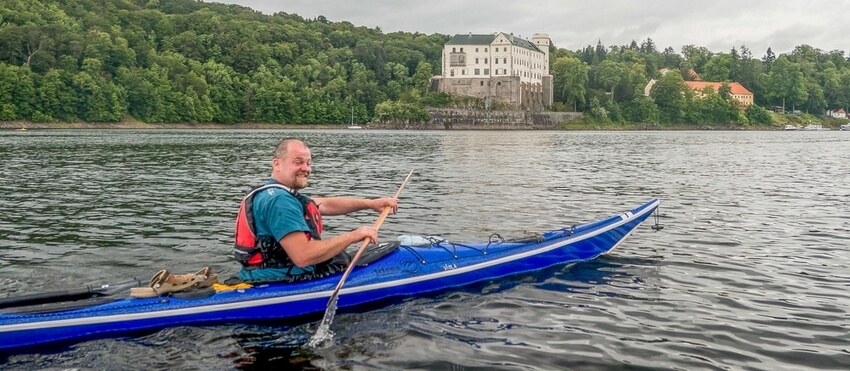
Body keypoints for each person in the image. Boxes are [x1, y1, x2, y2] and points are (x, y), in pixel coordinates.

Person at [232, 138, 398, 283]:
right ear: (277, 164)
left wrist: (370, 204)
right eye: (298, 162)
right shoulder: (279, 201)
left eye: (308, 163)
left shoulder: (270, 192)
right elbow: (303, 256)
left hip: (255, 274)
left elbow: (324, 204)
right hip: (283, 279)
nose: (306, 168)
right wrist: (353, 236)